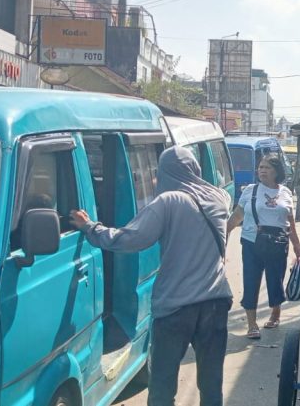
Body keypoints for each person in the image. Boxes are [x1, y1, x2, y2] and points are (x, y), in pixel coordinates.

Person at [69, 146, 233, 406]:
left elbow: (131, 239)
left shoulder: (168, 202)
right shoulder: (221, 197)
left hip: (176, 308)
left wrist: (91, 228)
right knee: (211, 383)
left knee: (162, 385)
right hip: (216, 302)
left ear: (165, 171)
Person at [226, 156, 300, 339]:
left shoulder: (285, 193)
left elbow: (289, 220)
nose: (262, 170)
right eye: (260, 167)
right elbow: (237, 216)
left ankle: (275, 313)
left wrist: (297, 244)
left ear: (277, 171)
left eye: (267, 167)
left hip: (278, 244)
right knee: (251, 281)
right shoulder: (250, 192)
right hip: (252, 243)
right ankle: (252, 324)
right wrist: (223, 237)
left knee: (275, 280)